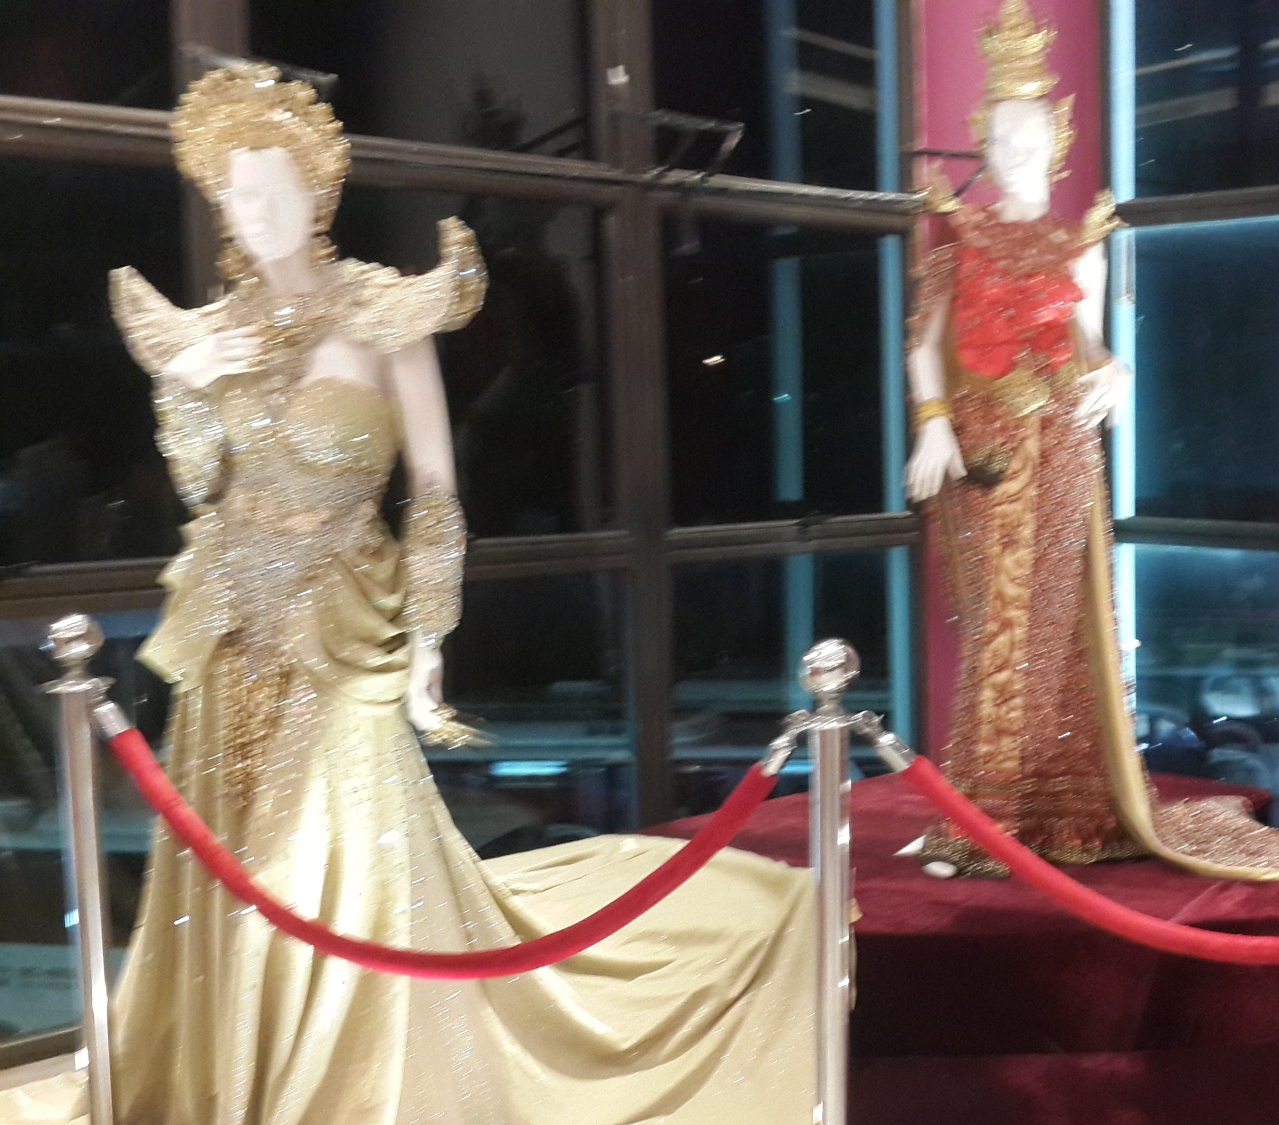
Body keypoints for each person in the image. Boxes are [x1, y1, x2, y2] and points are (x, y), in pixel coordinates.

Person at [0, 64, 813, 1125]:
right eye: (238, 192)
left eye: (276, 186)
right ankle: (246, 1070)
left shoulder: (384, 313)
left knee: (337, 856)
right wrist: (190, 389)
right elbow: (202, 485)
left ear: (316, 190)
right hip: (233, 630)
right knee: (234, 860)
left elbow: (434, 488)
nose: (258, 207)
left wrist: (430, 635)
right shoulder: (212, 332)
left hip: (346, 622)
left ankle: (348, 1083)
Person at [904, 0, 1279, 881]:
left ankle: (1040, 811)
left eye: (1034, 132)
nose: (1019, 146)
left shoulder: (1083, 239)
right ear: (985, 137)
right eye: (1006, 132)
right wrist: (934, 422)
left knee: (1054, 629)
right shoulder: (960, 232)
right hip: (987, 447)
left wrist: (1117, 371)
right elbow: (925, 344)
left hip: (1061, 443)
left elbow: (1089, 339)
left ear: (1057, 141)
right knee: (998, 627)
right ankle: (980, 816)